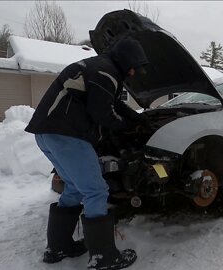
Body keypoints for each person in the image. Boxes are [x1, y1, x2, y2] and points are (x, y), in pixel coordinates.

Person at [25, 37, 148, 270]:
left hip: (47, 133)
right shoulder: (106, 72)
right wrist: (127, 126)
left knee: (73, 187)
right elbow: (103, 112)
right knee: (96, 191)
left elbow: (111, 103)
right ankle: (103, 258)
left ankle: (58, 247)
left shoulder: (99, 66)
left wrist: (136, 117)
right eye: (133, 65)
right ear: (124, 59)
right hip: (66, 133)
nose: (133, 72)